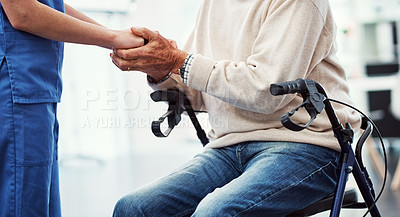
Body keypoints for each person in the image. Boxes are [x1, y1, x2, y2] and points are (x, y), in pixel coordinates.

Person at [111, 0, 361, 216]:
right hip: (227, 147)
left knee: (216, 212)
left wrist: (177, 61)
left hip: (306, 147)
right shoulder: (213, 4)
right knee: (133, 209)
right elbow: (196, 90)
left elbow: (266, 92)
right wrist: (159, 69)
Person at [0, 1, 143, 216]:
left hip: (33, 85)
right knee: (23, 204)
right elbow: (23, 13)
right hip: (18, 84)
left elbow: (49, 4)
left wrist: (113, 37)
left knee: (38, 201)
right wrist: (113, 38)